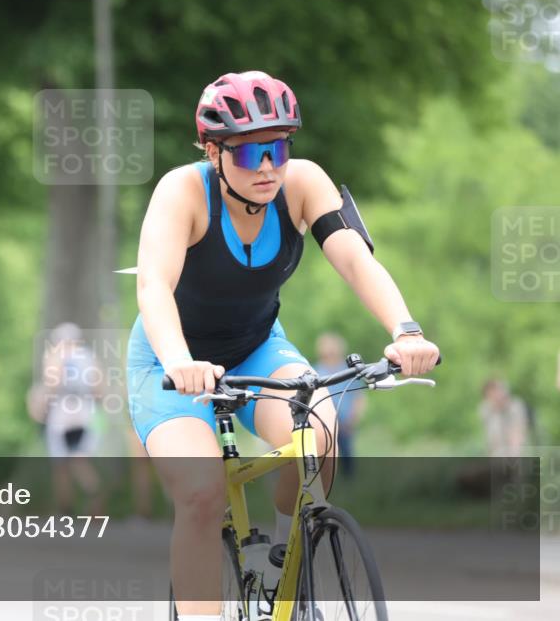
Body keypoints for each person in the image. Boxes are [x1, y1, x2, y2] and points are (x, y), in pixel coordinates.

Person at [126, 71, 440, 620]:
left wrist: (406, 330)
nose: (268, 167)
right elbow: (154, 285)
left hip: (256, 347)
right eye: (250, 154)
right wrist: (180, 361)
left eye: (278, 148)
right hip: (169, 360)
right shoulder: (182, 192)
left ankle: (281, 562)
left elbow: (354, 260)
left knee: (319, 434)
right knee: (201, 492)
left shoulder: (303, 183)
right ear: (213, 151)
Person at [40, 323, 104, 514]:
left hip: (61, 415)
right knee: (80, 460)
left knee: (61, 466)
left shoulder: (54, 356)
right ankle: (95, 503)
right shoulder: (90, 357)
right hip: (86, 412)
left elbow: (51, 385)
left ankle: (66, 511)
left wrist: (42, 407)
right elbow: (99, 390)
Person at [314, 333, 365, 477]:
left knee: (346, 452)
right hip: (323, 422)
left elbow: (358, 396)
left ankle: (349, 480)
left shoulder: (349, 371)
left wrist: (354, 417)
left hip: (345, 421)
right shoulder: (315, 371)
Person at [479, 377, 528, 458]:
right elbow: (492, 440)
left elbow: (517, 436)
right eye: (490, 394)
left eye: (496, 392)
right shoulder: (486, 410)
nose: (495, 396)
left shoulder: (515, 407)